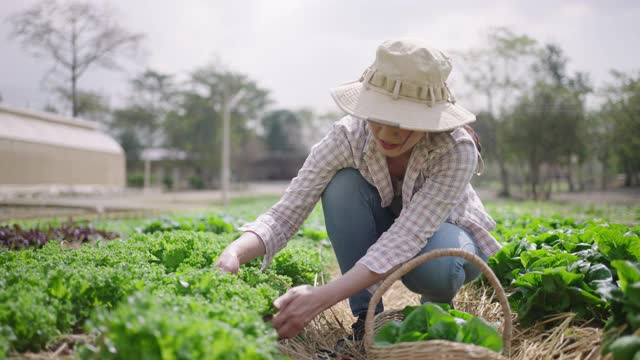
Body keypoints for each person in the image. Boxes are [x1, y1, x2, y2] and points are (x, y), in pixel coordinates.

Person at [214, 38, 502, 341]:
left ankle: (437, 315)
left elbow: (407, 236)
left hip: (446, 234)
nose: (387, 133)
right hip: (388, 228)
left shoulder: (455, 149)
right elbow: (286, 213)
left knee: (438, 267)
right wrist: (234, 252)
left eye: (404, 122)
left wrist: (322, 297)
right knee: (342, 186)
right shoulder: (349, 136)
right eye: (379, 117)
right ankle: (366, 319)